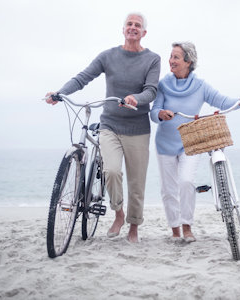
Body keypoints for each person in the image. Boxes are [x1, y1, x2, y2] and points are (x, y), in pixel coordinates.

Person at [45, 13, 161, 243]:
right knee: (111, 171)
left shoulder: (152, 59)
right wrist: (61, 93)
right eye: (129, 24)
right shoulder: (108, 56)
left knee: (136, 184)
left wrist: (136, 98)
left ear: (144, 32)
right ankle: (118, 214)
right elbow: (83, 78)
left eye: (138, 25)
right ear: (123, 29)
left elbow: (152, 91)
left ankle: (133, 229)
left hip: (138, 128)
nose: (133, 28)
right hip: (110, 124)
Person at [150, 42, 240, 242]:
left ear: (188, 62)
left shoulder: (200, 86)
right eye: (171, 56)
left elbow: (222, 101)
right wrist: (161, 114)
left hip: (191, 143)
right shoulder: (163, 85)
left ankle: (187, 226)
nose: (171, 61)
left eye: (176, 57)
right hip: (165, 143)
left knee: (186, 181)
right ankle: (175, 229)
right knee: (168, 189)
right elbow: (153, 112)